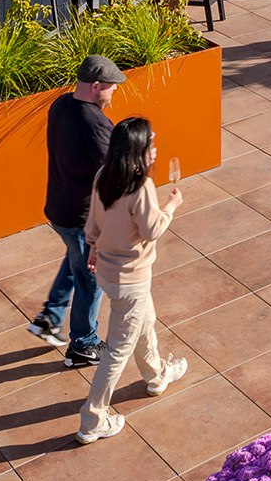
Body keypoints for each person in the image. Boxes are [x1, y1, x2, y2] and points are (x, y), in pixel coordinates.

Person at [74, 115, 189, 443]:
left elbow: (93, 221)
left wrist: (94, 248)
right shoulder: (140, 186)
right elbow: (152, 230)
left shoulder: (104, 175)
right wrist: (171, 205)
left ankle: (156, 376)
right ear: (137, 149)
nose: (156, 147)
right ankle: (92, 418)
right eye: (151, 142)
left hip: (109, 272)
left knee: (145, 321)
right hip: (131, 280)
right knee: (117, 351)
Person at [31, 54, 126, 368]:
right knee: (90, 278)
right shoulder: (95, 122)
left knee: (75, 257)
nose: (114, 93)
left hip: (57, 208)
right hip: (81, 217)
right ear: (96, 86)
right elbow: (113, 173)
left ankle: (50, 317)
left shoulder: (60, 105)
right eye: (111, 88)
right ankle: (83, 346)